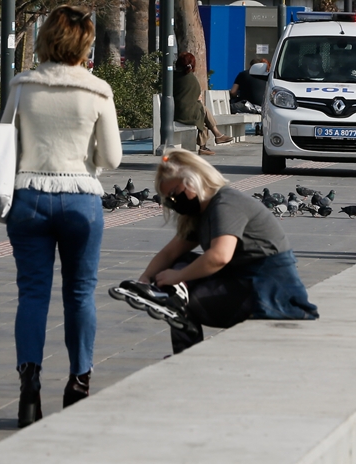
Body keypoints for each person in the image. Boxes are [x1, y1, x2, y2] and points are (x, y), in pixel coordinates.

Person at [0, 6, 122, 427]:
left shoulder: (23, 86)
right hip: (81, 198)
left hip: (29, 195)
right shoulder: (97, 91)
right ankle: (79, 381)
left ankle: (29, 388)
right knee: (81, 294)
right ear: (86, 43)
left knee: (32, 294)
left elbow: (5, 140)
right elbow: (113, 157)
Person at [114, 149, 316, 355]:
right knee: (180, 267)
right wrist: (145, 280)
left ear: (193, 180)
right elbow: (170, 253)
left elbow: (219, 257)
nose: (173, 203)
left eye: (174, 195)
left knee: (181, 303)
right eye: (168, 200)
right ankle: (181, 331)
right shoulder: (201, 212)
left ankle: (185, 349)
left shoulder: (226, 203)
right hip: (246, 282)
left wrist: (178, 277)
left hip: (271, 292)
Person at [174, 52, 233, 156]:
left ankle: (207, 144)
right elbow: (197, 95)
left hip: (178, 111)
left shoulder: (176, 76)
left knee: (203, 113)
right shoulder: (189, 78)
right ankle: (215, 137)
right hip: (183, 114)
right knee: (202, 111)